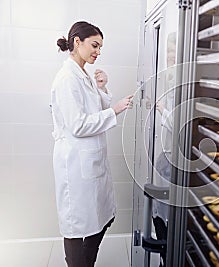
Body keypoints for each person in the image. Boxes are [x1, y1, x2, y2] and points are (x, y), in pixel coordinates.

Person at [50, 21, 133, 267]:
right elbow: (78, 125)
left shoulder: (82, 74)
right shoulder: (67, 78)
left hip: (90, 161)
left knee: (101, 218)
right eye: (94, 45)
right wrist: (116, 110)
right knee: (76, 225)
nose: (98, 51)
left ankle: (86, 263)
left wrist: (102, 86)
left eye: (100, 47)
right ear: (77, 42)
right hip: (75, 165)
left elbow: (97, 108)